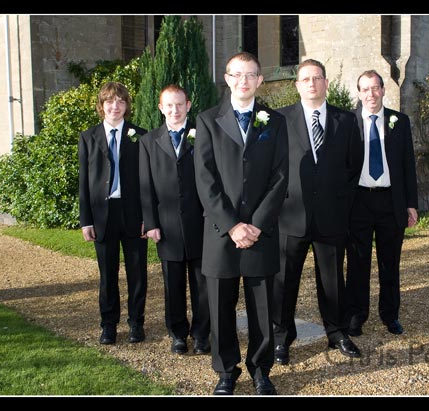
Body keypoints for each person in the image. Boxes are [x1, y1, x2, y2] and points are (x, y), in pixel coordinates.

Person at [193, 51, 288, 395]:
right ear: (227, 78)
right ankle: (225, 371)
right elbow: (205, 179)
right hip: (221, 232)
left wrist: (257, 224)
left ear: (260, 80)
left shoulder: (275, 122)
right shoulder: (207, 121)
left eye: (250, 75)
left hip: (262, 231)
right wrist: (233, 225)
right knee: (220, 306)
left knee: (262, 306)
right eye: (236, 74)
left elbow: (281, 177)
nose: (243, 81)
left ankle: (261, 370)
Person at [272, 59, 363, 366]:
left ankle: (337, 332)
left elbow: (354, 166)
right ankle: (281, 337)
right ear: (297, 85)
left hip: (331, 217)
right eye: (306, 79)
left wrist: (340, 203)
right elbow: (273, 167)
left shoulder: (346, 120)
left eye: (317, 78)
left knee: (333, 280)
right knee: (284, 281)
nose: (311, 83)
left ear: (326, 83)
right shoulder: (280, 119)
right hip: (290, 215)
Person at [345, 70, 418, 337]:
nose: (371, 94)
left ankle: (390, 315)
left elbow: (408, 164)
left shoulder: (400, 121)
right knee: (357, 262)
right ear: (359, 93)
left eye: (375, 88)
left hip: (391, 201)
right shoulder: (348, 122)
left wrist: (411, 204)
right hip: (359, 202)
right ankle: (356, 316)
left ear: (383, 90)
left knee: (390, 262)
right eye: (365, 89)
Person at [139, 84, 210, 355]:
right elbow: (145, 186)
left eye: (179, 104)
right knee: (173, 284)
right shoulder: (149, 141)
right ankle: (178, 333)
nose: (175, 110)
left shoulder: (203, 135)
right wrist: (151, 223)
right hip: (167, 225)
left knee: (202, 284)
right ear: (161, 108)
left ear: (188, 105)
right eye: (169, 105)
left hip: (200, 222)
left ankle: (202, 334)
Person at [78, 81, 148, 345]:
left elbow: (147, 181)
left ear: (127, 105)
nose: (115, 106)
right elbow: (84, 182)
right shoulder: (88, 137)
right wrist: (86, 220)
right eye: (109, 101)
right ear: (101, 105)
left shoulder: (140, 136)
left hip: (133, 215)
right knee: (107, 275)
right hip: (102, 216)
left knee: (137, 274)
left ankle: (136, 323)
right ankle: (108, 325)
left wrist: (148, 218)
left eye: (120, 101)